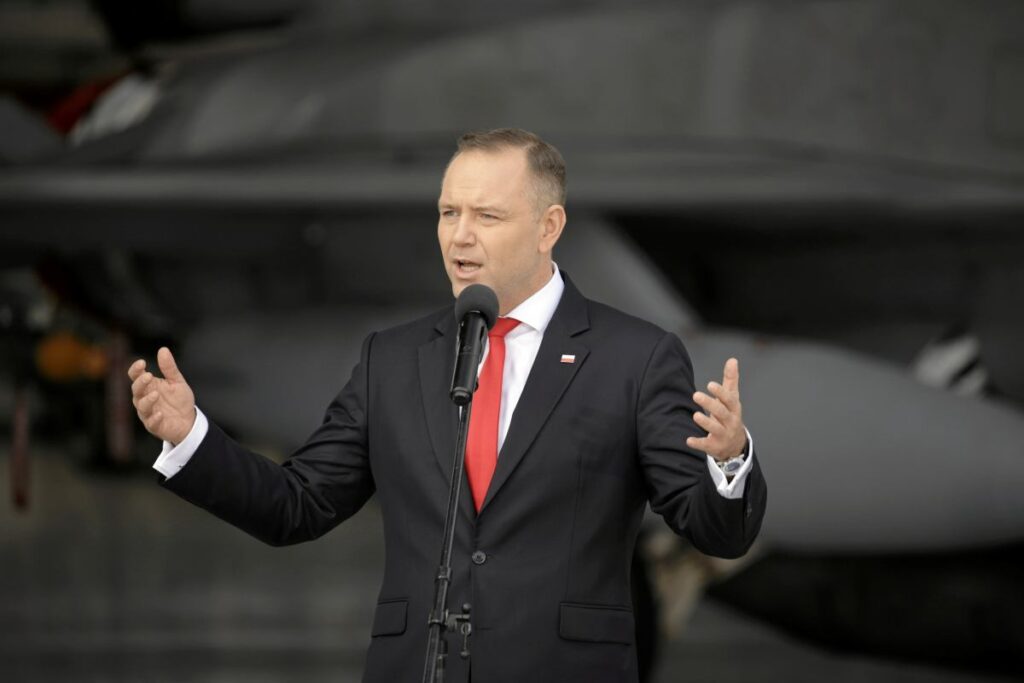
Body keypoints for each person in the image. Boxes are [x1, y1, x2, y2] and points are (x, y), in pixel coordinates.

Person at [128, 128, 766, 683]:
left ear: (549, 228)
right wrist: (191, 438)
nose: (460, 236)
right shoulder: (394, 358)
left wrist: (730, 461)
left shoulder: (634, 356)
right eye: (447, 213)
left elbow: (715, 531)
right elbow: (296, 505)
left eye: (487, 216)